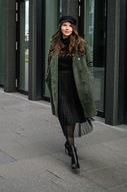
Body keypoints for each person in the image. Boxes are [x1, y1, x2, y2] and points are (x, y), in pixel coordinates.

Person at [45, 16, 96, 170]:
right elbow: (50, 63)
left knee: (71, 116)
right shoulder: (54, 43)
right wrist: (48, 77)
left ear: (73, 28)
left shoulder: (81, 43)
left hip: (75, 85)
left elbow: (90, 63)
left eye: (69, 26)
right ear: (60, 27)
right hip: (59, 84)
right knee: (63, 115)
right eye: (64, 25)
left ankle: (72, 149)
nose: (67, 28)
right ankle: (70, 144)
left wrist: (88, 79)